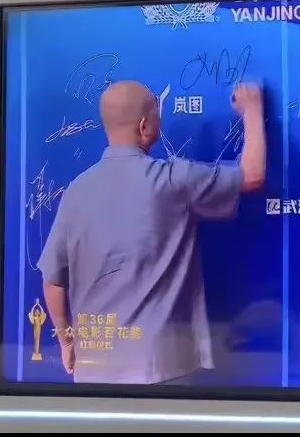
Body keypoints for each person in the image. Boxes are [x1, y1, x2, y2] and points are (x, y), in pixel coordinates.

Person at [39, 80, 266, 384]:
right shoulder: (171, 180)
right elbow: (252, 176)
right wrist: (252, 111)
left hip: (94, 370)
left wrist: (67, 342)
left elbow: (53, 280)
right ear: (145, 126)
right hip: (161, 370)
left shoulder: (76, 192)